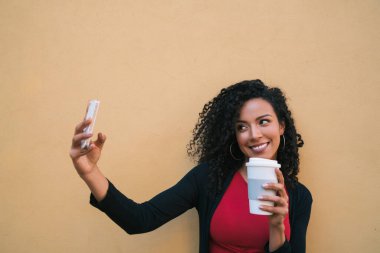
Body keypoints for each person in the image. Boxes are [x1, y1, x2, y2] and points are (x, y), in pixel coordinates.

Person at [69, 79, 312, 253]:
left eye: (263, 122)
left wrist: (277, 225)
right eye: (242, 127)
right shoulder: (208, 179)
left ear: (281, 126)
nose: (254, 134)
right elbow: (140, 220)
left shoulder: (299, 197)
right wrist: (90, 172)